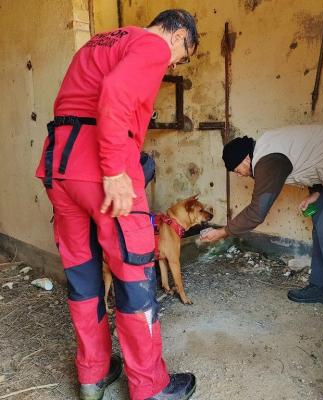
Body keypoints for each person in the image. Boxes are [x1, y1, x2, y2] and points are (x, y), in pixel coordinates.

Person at [35, 9, 199, 400]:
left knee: (83, 275)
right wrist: (114, 169)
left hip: (59, 167)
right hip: (101, 169)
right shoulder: (152, 45)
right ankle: (149, 386)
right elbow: (115, 94)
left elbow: (76, 99)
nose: (176, 61)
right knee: (133, 272)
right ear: (178, 36)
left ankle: (93, 374)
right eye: (185, 53)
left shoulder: (101, 42)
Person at [201, 124, 323, 337]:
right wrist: (316, 193)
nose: (241, 175)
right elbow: (313, 160)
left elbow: (257, 212)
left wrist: (222, 232)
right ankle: (322, 287)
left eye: (238, 171)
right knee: (320, 216)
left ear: (245, 159)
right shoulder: (269, 147)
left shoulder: (267, 160)